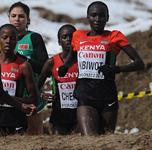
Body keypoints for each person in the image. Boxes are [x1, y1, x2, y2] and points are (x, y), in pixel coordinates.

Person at [58, 1, 145, 135]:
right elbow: (72, 56)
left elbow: (139, 63)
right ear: (87, 17)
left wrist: (116, 69)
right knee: (90, 140)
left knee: (106, 141)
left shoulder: (114, 36)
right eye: (94, 15)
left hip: (107, 96)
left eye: (102, 16)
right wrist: (65, 66)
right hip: (85, 95)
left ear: (107, 18)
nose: (97, 19)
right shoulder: (78, 36)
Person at [8, 1, 49, 135]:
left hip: (31, 95)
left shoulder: (34, 38)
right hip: (11, 96)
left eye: (21, 16)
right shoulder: (4, 39)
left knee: (34, 137)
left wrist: (21, 57)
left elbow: (43, 67)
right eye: (13, 16)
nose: (17, 19)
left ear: (28, 19)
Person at [0, 24, 38, 135]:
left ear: (17, 40)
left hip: (16, 119)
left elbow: (33, 98)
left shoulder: (24, 65)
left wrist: (10, 99)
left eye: (12, 38)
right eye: (4, 38)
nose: (8, 41)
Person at [39, 24, 78, 135]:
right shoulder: (52, 62)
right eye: (64, 37)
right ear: (59, 41)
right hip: (59, 115)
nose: (68, 39)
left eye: (72, 36)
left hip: (81, 112)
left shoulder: (82, 59)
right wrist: (42, 95)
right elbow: (37, 85)